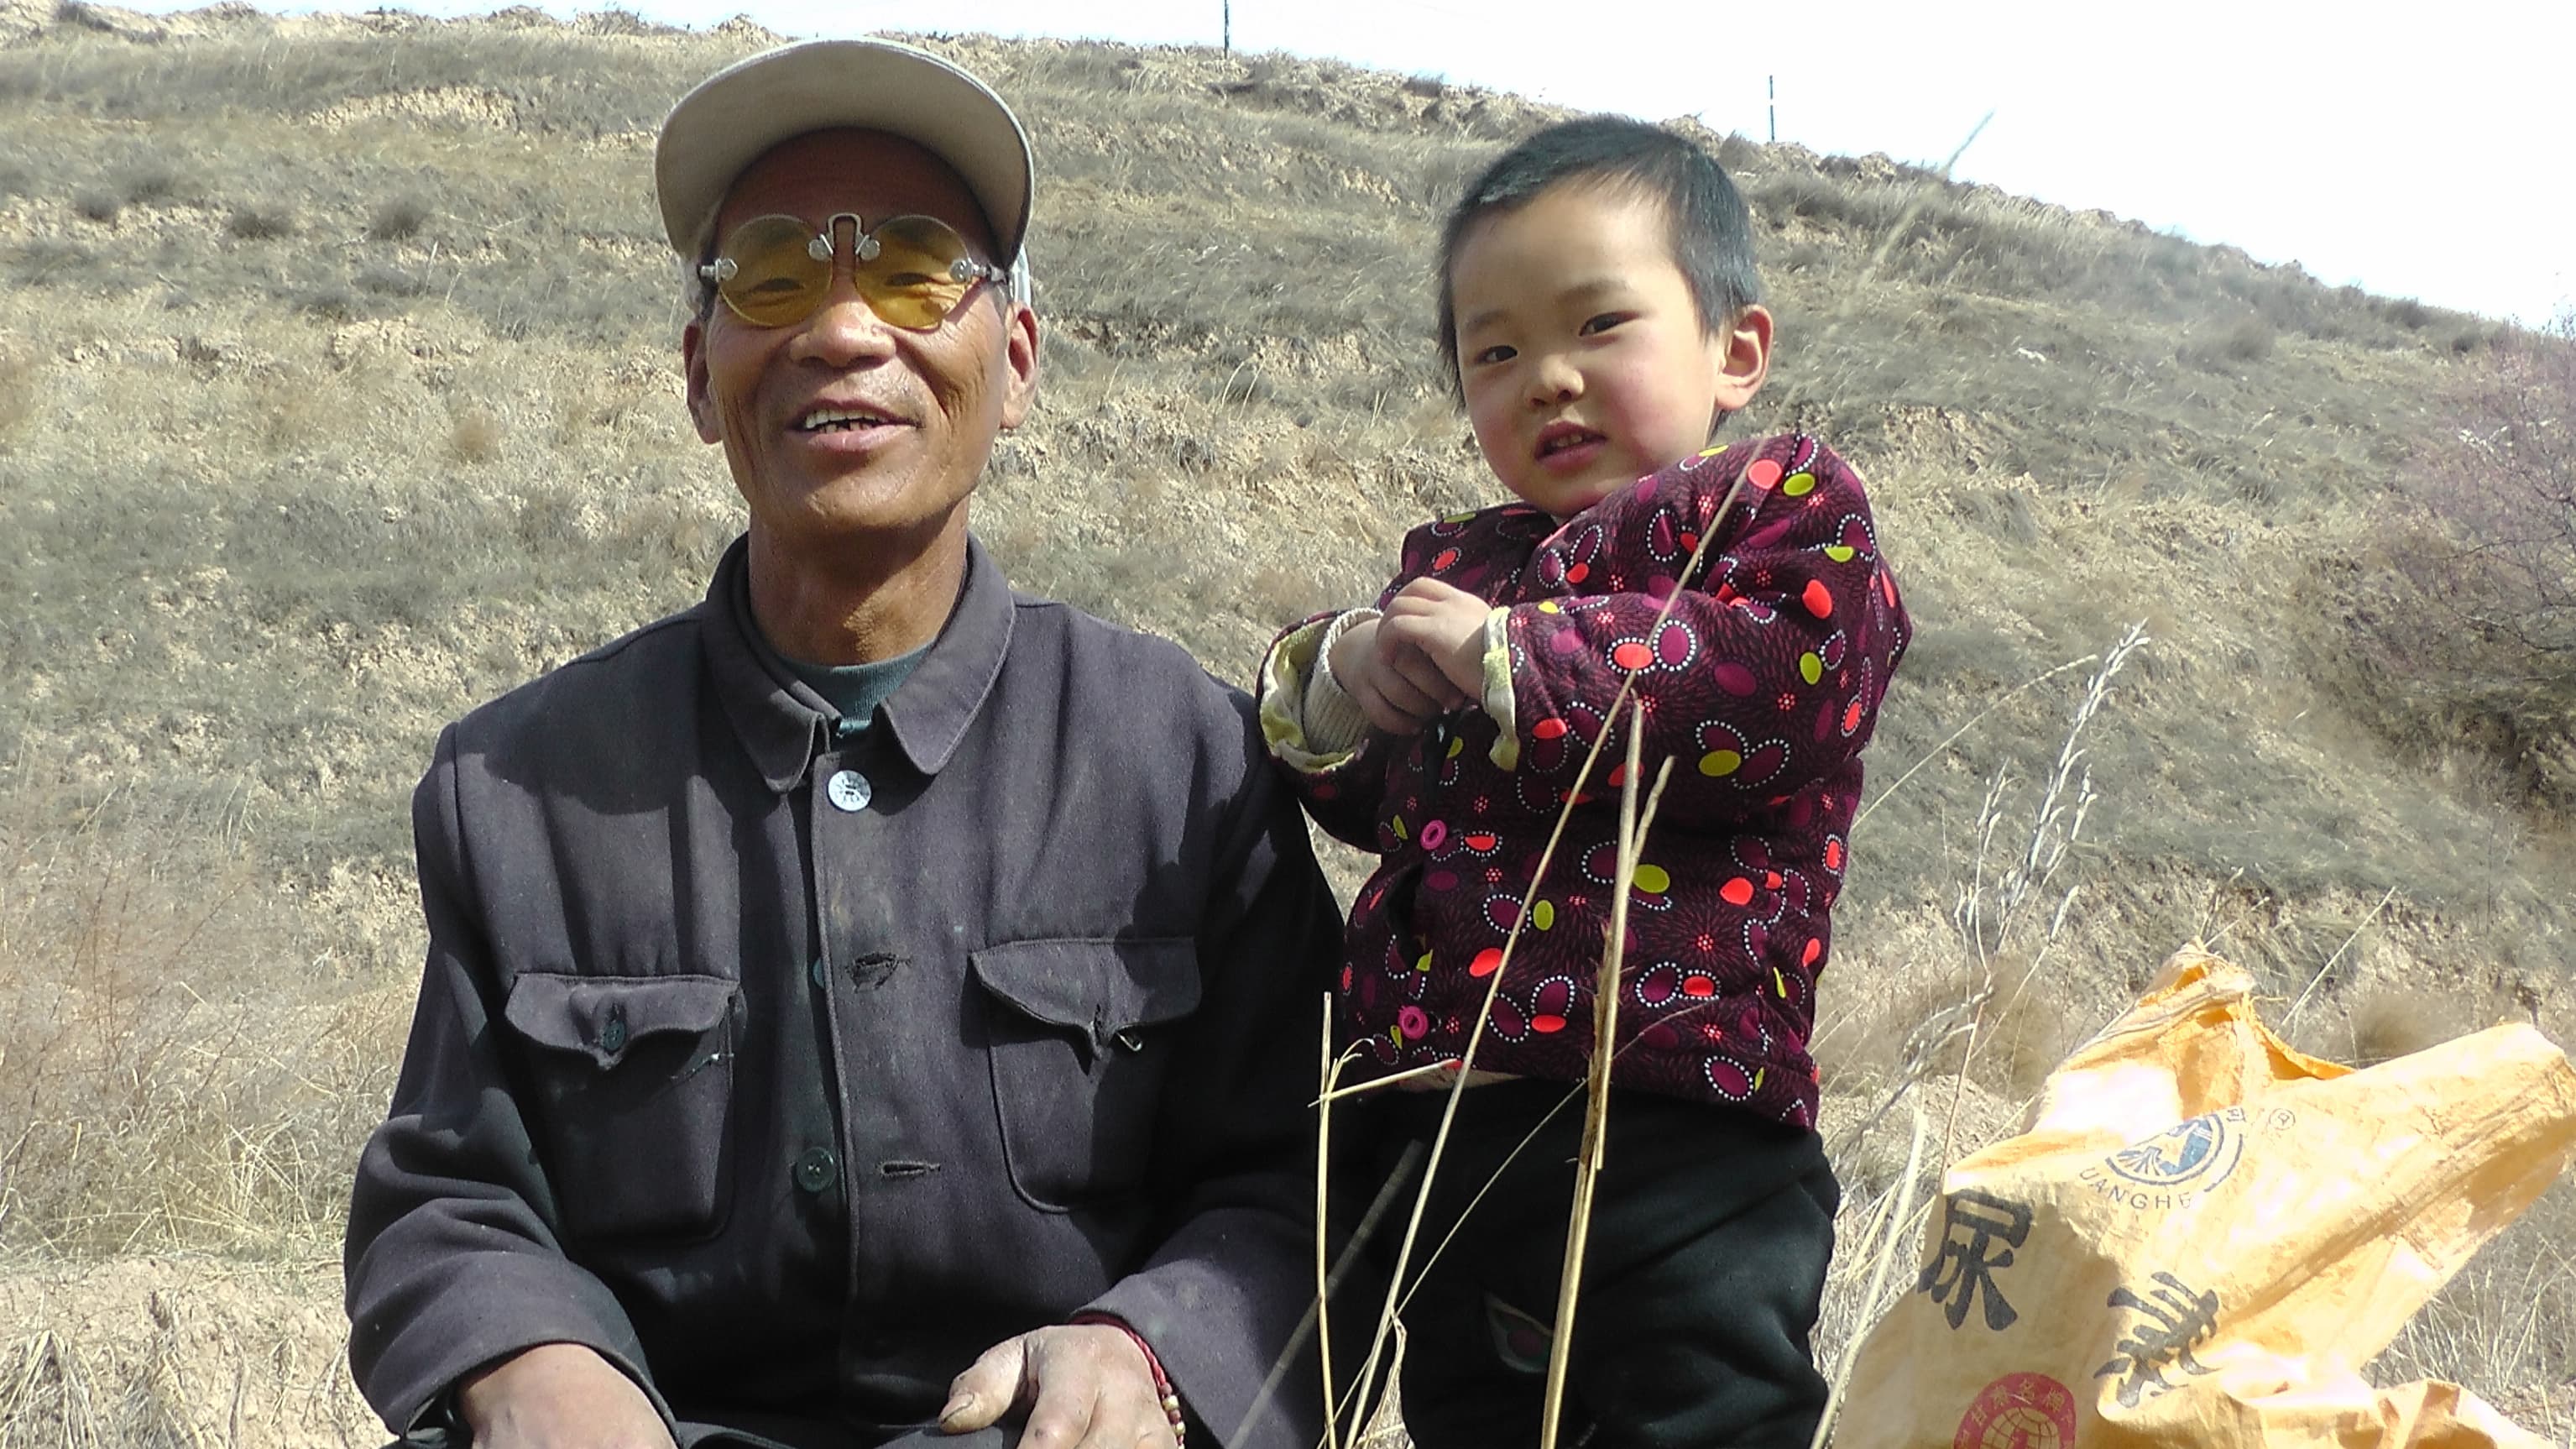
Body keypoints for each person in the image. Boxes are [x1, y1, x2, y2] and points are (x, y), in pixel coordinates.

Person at [343, 38, 1344, 1449]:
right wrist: (532, 1360)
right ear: (702, 374)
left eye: (918, 267)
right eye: (772, 274)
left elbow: (1303, 1180)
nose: (843, 329)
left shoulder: (1187, 763)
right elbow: (449, 1195)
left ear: (1015, 359)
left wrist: (1151, 1347)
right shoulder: (515, 787)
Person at [1254, 117, 1913, 1448]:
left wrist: (1511, 657)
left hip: (1677, 1129)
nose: (1545, 377)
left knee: (1705, 1416)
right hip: (1445, 1139)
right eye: (1493, 351)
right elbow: (1378, 801)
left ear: (1735, 350)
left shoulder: (1780, 510)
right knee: (1470, 1414)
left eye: (1597, 325)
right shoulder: (1456, 568)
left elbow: (1772, 690)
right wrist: (1338, 679)